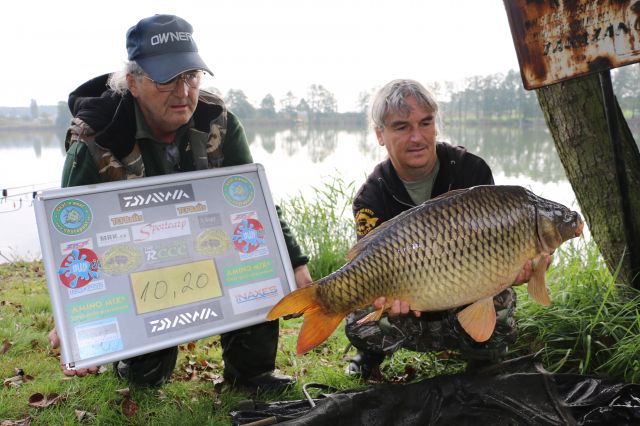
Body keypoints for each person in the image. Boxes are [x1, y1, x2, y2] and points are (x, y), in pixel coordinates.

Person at [47, 14, 312, 391]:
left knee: (256, 259)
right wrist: (70, 318)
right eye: (166, 79)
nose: (183, 91)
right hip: (136, 261)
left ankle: (250, 374)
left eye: (191, 76)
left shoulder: (218, 120)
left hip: (210, 241)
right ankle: (132, 365)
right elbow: (71, 240)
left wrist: (295, 261)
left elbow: (256, 202)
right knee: (148, 377)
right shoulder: (94, 140)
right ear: (134, 83)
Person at [345, 79, 547, 379]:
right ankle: (371, 355)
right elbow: (368, 264)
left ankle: (483, 359)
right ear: (380, 134)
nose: (417, 137)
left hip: (465, 290)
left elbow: (498, 245)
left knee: (500, 299)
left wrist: (513, 267)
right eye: (402, 127)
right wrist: (385, 300)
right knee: (358, 315)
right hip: (408, 298)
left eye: (425, 123)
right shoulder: (370, 197)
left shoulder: (471, 171)